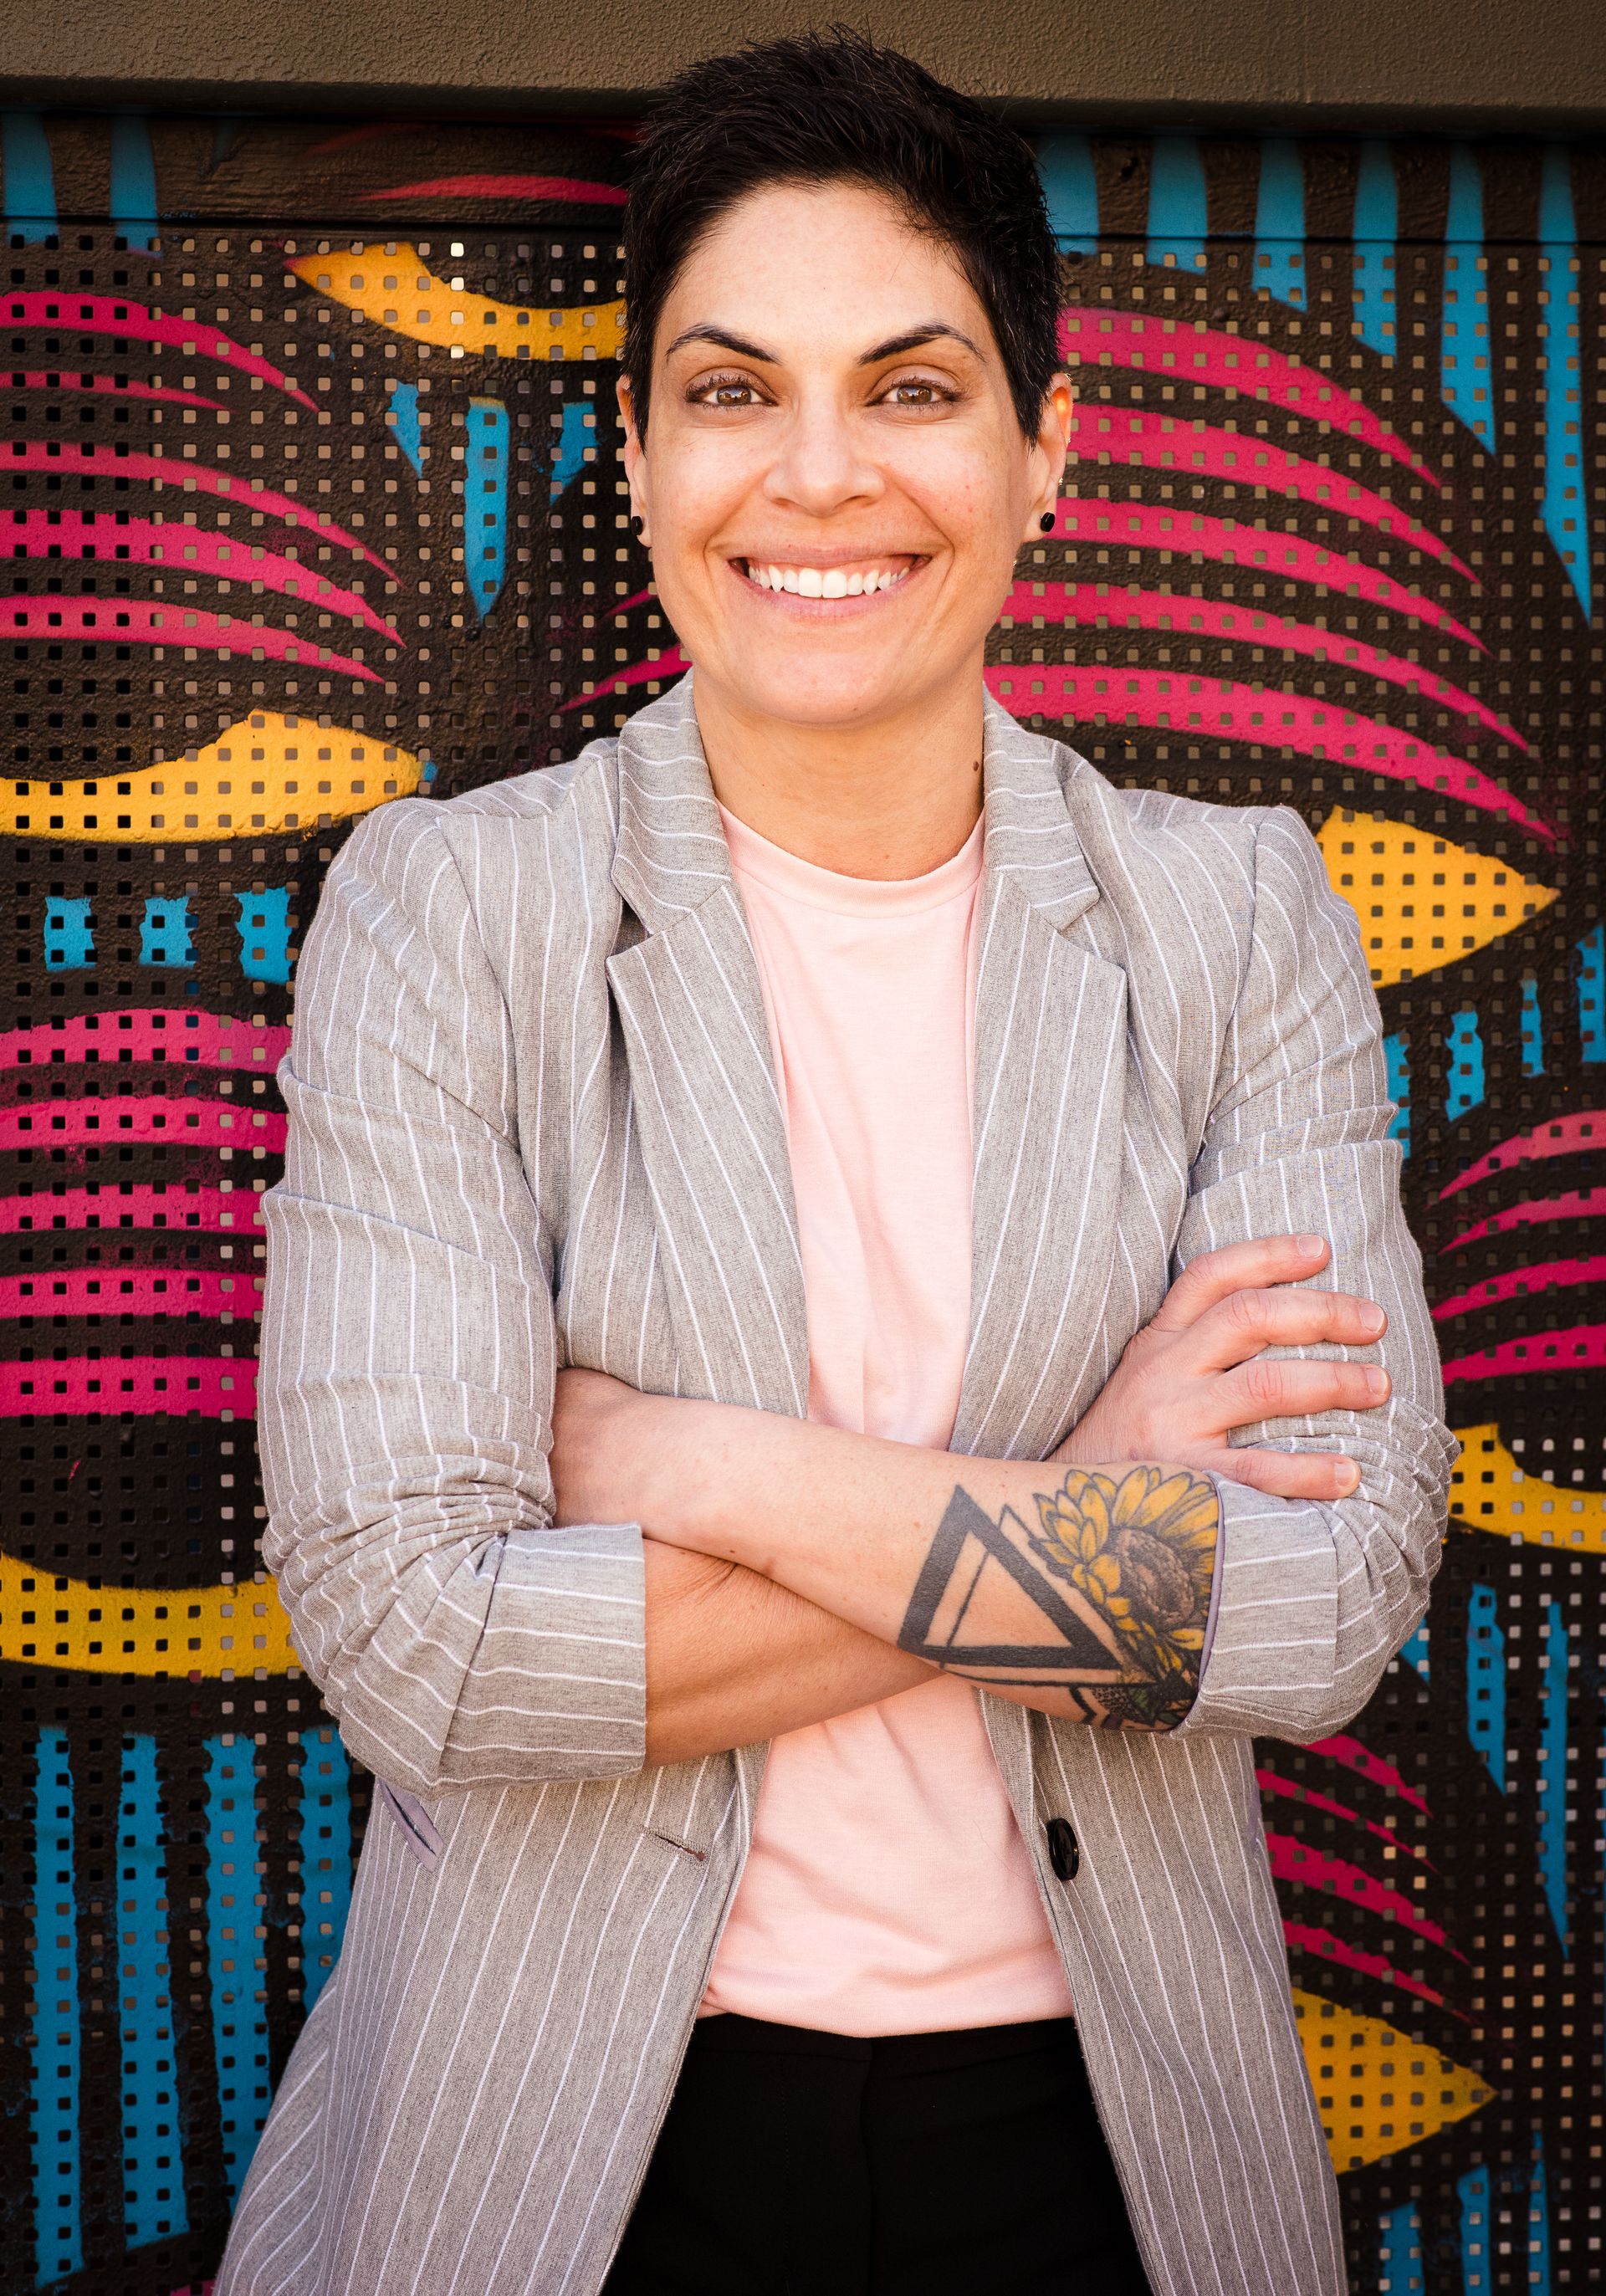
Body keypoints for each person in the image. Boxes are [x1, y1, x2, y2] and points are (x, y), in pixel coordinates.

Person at [216, 30, 1454, 2296]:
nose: (817, 474)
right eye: (728, 388)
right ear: (637, 446)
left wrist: (675, 1459)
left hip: (1106, 2139)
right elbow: (420, 1650)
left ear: (1042, 445)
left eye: (908, 386)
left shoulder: (1234, 913)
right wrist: (1085, 1471)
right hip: (579, 2139)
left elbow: (1327, 1592)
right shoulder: (452, 912)